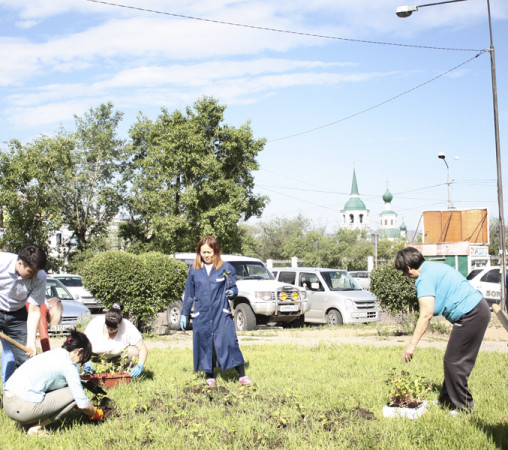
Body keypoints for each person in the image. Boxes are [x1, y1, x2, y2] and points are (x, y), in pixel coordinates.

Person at [394, 247, 490, 414]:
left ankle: (464, 408)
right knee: (453, 359)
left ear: (408, 268)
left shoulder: (424, 278)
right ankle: (447, 399)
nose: (405, 276)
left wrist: (411, 345)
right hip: (475, 311)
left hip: (471, 314)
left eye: (403, 272)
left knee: (454, 362)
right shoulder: (433, 267)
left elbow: (426, 314)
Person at [180, 236, 252, 387]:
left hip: (221, 313)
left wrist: (232, 293)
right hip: (202, 314)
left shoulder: (226, 268)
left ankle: (242, 376)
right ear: (199, 252)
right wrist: (184, 313)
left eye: (209, 252)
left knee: (229, 342)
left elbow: (233, 287)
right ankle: (209, 376)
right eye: (203, 252)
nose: (206, 255)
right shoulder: (194, 270)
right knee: (205, 344)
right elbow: (189, 294)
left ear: (216, 251)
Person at [3, 329, 103, 436]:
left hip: (8, 403)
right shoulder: (69, 365)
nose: (79, 364)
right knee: (73, 395)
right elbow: (83, 404)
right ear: (79, 351)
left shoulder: (53, 354)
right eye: (81, 361)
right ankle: (36, 428)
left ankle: (24, 425)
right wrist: (95, 413)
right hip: (21, 408)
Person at [0, 244, 47, 373]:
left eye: (36, 272)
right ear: (20, 263)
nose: (34, 276)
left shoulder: (40, 276)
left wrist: (31, 342)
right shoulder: (2, 262)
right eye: (31, 272)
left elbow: (34, 309)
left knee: (27, 361)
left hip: (17, 314)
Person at [1, 297, 63, 387]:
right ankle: (7, 387)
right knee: (10, 355)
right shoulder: (42, 306)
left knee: (7, 352)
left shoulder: (40, 301)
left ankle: (8, 385)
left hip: (11, 318)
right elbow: (43, 336)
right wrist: (49, 359)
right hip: (11, 320)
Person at [83, 303, 147, 378]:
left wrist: (140, 365)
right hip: (95, 355)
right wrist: (87, 361)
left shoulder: (128, 327)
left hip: (117, 356)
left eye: (113, 329)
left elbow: (142, 348)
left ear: (120, 324)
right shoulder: (94, 324)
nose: (110, 330)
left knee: (134, 351)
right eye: (108, 327)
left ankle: (125, 373)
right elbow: (83, 345)